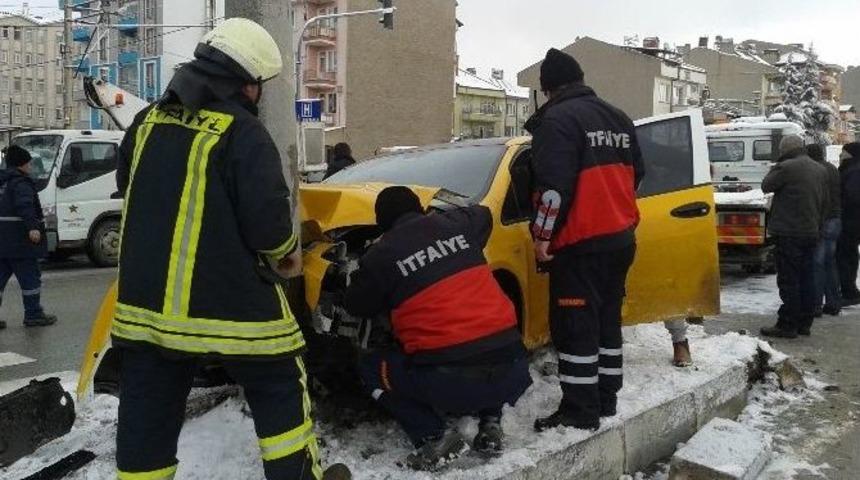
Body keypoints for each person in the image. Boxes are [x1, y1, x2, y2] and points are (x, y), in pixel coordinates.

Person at [111, 19, 348, 480]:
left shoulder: (146, 122)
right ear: (248, 84)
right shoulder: (243, 132)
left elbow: (130, 185)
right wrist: (286, 253)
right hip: (230, 306)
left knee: (146, 410)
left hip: (146, 312)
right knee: (280, 382)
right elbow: (270, 232)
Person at [344, 186, 532, 471]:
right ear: (420, 209)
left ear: (382, 223)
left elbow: (356, 305)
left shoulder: (383, 254)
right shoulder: (458, 224)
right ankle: (490, 423)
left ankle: (433, 437)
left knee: (371, 367)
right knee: (482, 341)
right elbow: (483, 213)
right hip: (514, 368)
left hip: (454, 383)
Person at [525, 48, 644, 432]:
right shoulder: (618, 117)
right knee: (607, 322)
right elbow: (637, 173)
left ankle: (580, 410)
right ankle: (605, 398)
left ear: (548, 89)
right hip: (620, 240)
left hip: (580, 245)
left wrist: (542, 237)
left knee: (576, 327)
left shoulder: (558, 121)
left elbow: (552, 192)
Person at [760, 136, 827, 338]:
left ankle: (787, 324)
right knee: (807, 277)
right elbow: (825, 201)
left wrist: (777, 165)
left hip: (789, 233)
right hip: (811, 231)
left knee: (789, 280)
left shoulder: (786, 167)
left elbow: (766, 185)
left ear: (784, 150)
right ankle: (805, 323)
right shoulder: (819, 169)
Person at [0, 145, 56, 330]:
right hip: (20, 242)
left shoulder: (2, 182)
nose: (30, 166)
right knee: (30, 279)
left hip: (2, 242)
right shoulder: (21, 183)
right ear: (21, 164)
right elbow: (25, 206)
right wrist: (33, 228)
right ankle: (33, 314)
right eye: (29, 163)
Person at [807, 144, 842, 316]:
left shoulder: (815, 170)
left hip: (822, 220)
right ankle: (833, 303)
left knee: (817, 264)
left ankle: (816, 305)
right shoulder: (832, 169)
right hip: (835, 219)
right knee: (830, 262)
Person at [836, 142, 860, 307]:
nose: (840, 155)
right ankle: (849, 289)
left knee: (845, 256)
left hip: (850, 220)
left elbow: (852, 196)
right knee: (848, 254)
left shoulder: (854, 171)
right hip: (851, 220)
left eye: (843, 152)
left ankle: (849, 291)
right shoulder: (852, 169)